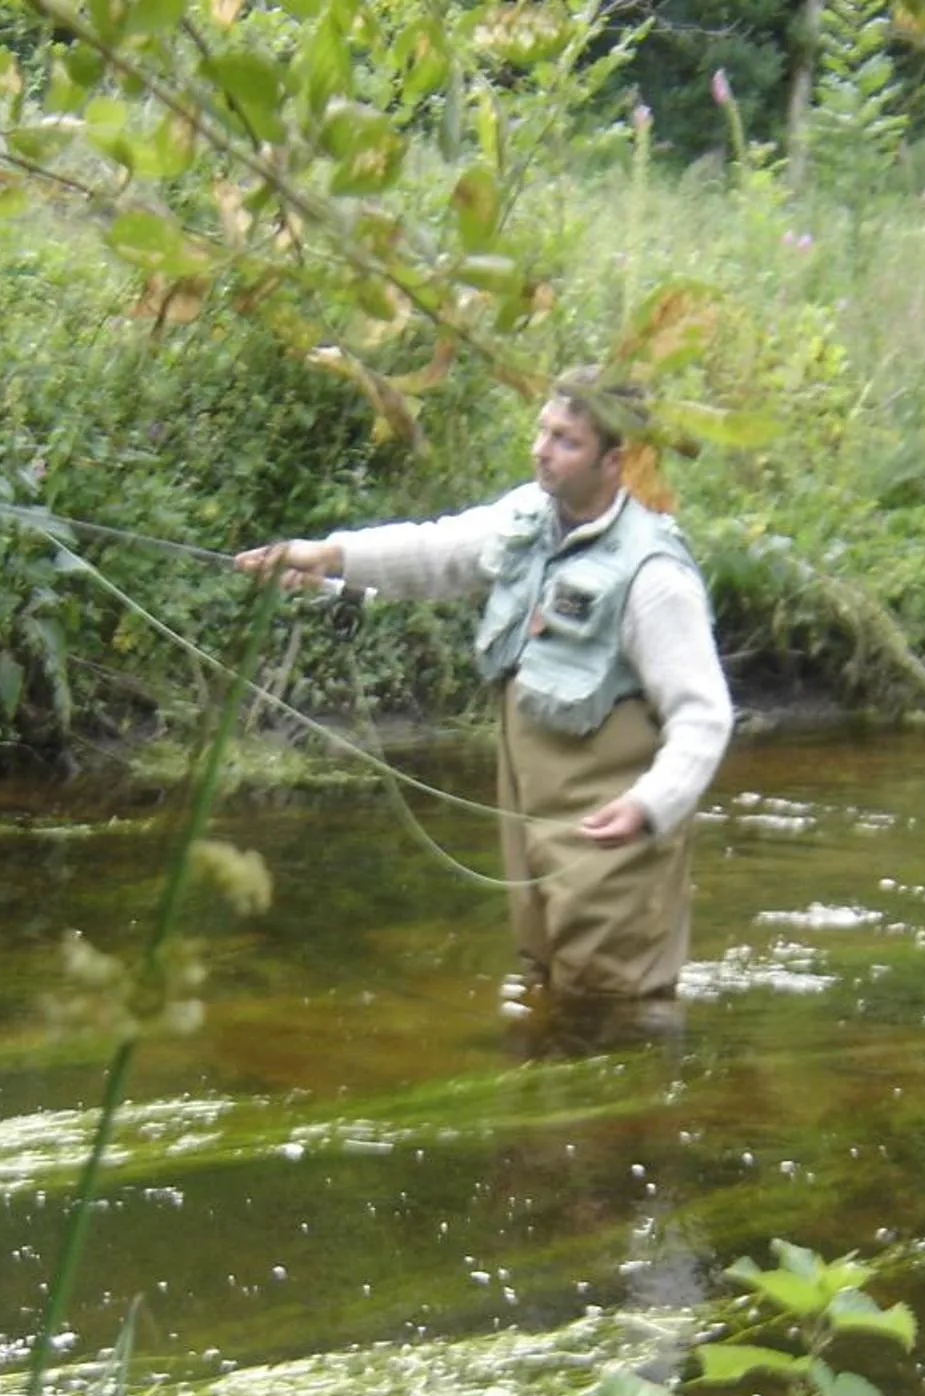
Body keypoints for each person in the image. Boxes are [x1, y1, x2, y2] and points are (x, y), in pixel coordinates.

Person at [237, 369, 732, 1005]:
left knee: (616, 999)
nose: (542, 449)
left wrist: (650, 807)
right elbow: (433, 553)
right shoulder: (525, 517)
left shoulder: (653, 574)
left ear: (616, 461)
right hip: (530, 810)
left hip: (615, 823)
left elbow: (705, 717)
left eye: (566, 441)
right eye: (542, 430)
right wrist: (329, 556)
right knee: (545, 977)